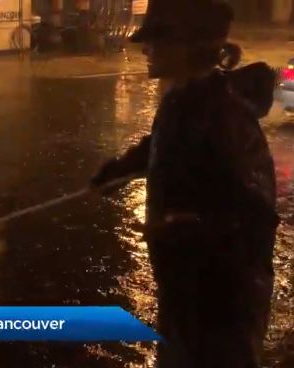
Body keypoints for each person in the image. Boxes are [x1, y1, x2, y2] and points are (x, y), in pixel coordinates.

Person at [90, 1, 278, 367]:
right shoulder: (182, 101)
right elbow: (164, 146)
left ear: (188, 46)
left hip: (222, 307)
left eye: (156, 40)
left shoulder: (228, 119)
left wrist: (190, 231)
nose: (146, 50)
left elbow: (256, 218)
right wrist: (119, 169)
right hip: (184, 290)